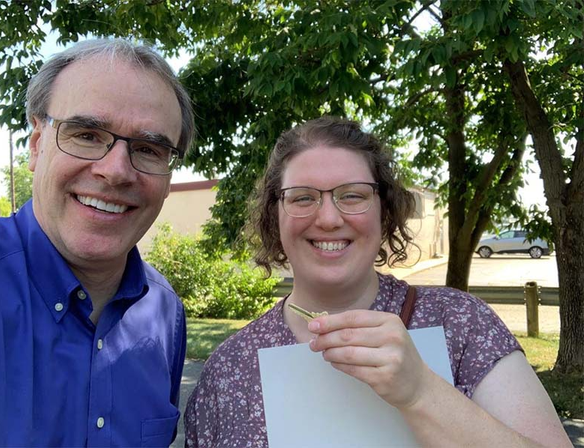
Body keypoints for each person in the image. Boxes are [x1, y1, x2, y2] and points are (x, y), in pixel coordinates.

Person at [183, 116, 571, 447]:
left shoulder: (462, 325)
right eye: (303, 198)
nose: (329, 218)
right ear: (275, 216)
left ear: (384, 211)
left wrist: (421, 391)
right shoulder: (228, 368)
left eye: (352, 195)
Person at [0, 39, 194, 447]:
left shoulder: (165, 313)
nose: (115, 172)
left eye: (149, 149)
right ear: (36, 143)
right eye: (86, 134)